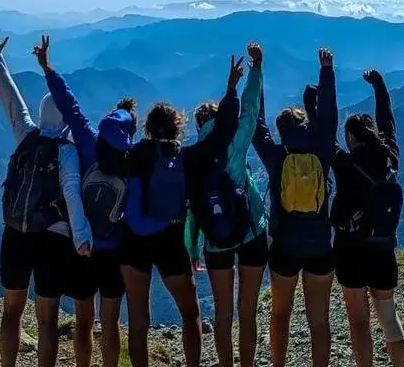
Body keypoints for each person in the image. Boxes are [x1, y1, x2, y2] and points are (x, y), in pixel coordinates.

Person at [98, 55, 246, 367]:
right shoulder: (187, 158)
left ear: (148, 128)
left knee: (139, 321)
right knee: (190, 314)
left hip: (133, 240)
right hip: (170, 240)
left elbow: (108, 159)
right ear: (178, 127)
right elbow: (223, 134)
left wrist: (123, 114)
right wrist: (231, 90)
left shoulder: (137, 153)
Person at [0, 33, 94, 367]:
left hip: (15, 232)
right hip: (52, 239)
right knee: (47, 320)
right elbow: (72, 194)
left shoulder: (26, 134)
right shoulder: (67, 152)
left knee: (11, 312)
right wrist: (82, 239)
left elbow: (10, 96)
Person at [35, 35, 137, 367]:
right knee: (111, 322)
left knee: (83, 322)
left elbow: (68, 104)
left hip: (82, 246)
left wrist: (48, 68)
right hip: (114, 249)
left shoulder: (88, 140)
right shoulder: (132, 161)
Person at [252, 48, 339, 367]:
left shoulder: (277, 157)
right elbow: (329, 116)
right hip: (320, 245)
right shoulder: (322, 151)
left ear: (281, 130)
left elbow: (256, 124)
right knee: (320, 321)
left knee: (280, 314)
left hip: (285, 247)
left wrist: (257, 70)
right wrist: (326, 71)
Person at [185, 43, 268, 367]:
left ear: (197, 127)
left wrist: (192, 248)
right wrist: (256, 69)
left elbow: (193, 209)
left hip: (215, 240)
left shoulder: (192, 158)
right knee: (247, 313)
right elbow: (250, 109)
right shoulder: (235, 139)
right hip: (251, 230)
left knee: (222, 315)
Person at [331, 69, 404, 367]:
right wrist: (379, 86)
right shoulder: (390, 158)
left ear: (350, 137)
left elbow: (324, 131)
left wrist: (320, 89)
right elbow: (388, 123)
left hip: (350, 251)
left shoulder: (344, 163)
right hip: (383, 248)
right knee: (389, 319)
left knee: (359, 322)